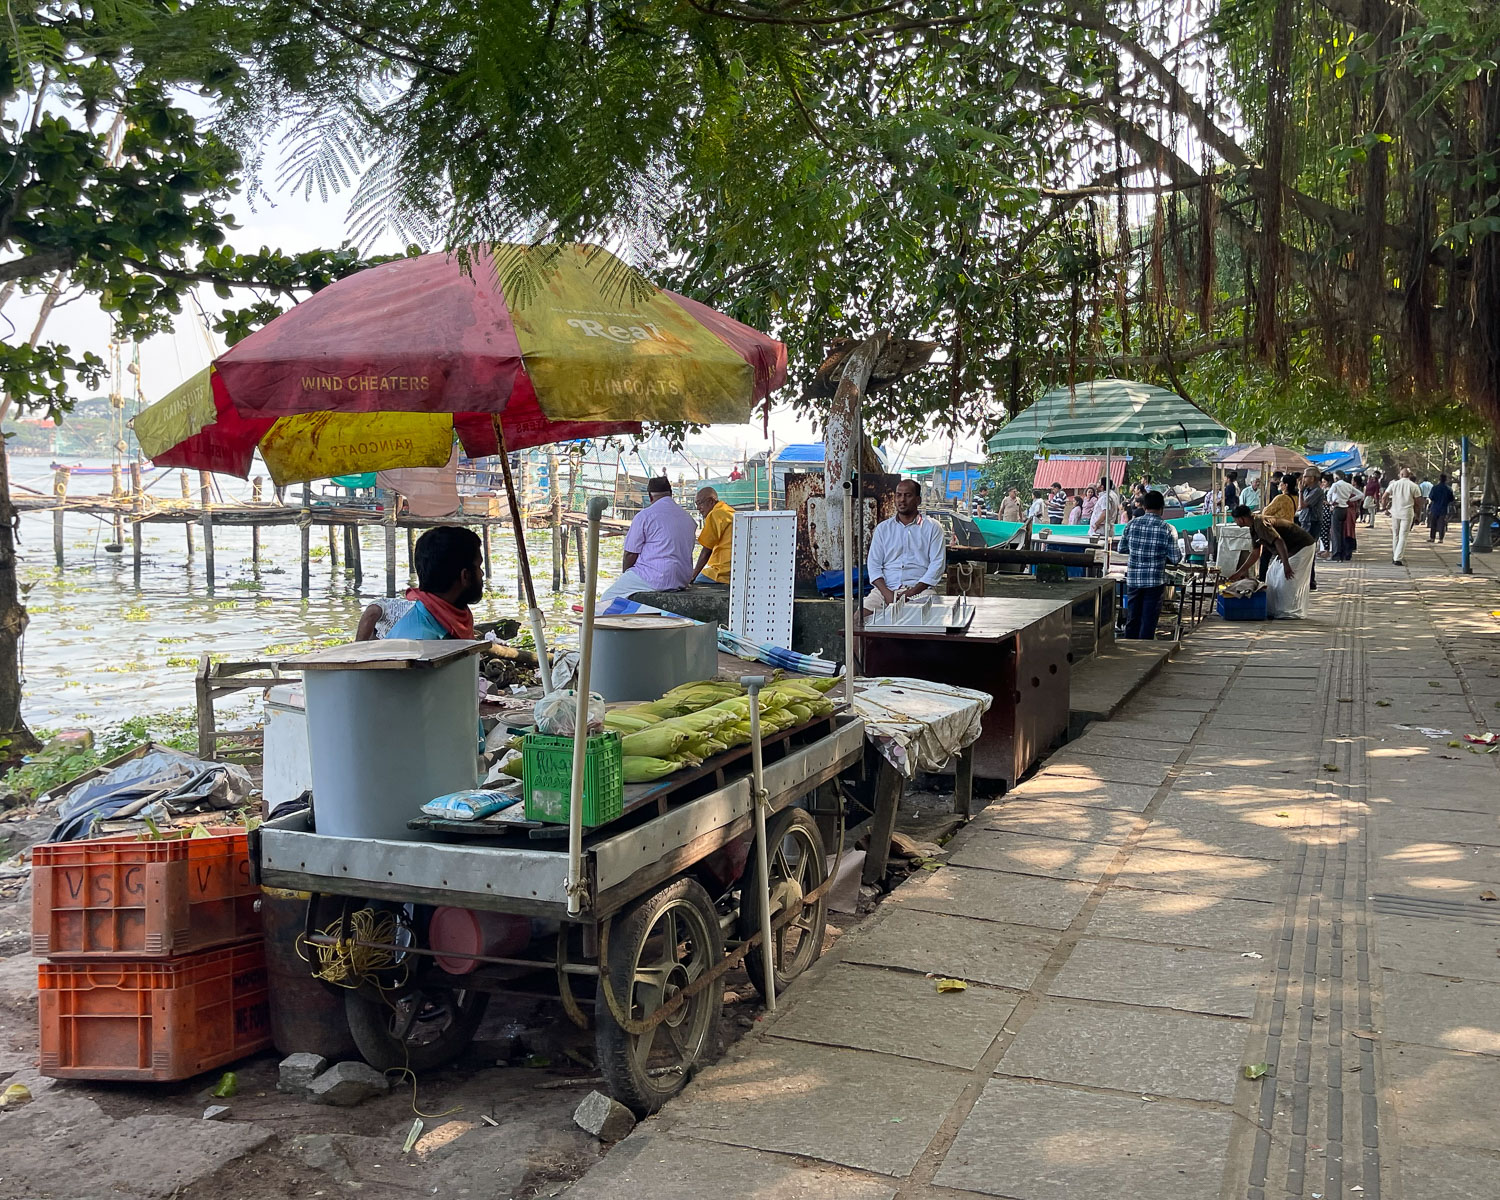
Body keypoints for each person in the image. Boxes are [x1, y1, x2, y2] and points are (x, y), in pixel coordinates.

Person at [598, 476, 696, 605]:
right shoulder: (688, 518)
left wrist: (626, 575)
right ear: (671, 494)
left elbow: (630, 553)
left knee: (607, 598)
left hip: (656, 576)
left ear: (650, 497)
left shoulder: (645, 516)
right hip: (682, 578)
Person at [381, 525, 484, 640]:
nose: (482, 573)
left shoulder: (438, 614)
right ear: (465, 576)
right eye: (479, 567)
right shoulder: (425, 642)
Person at [865, 478, 947, 612]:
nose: (902, 500)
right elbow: (873, 565)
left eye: (908, 495)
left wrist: (911, 593)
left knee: (929, 622)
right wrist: (887, 594)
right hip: (885, 591)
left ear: (918, 500)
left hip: (921, 591)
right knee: (857, 622)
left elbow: (937, 565)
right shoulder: (883, 529)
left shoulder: (933, 528)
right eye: (899, 495)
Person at [1228, 505, 1317, 619]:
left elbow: (1278, 541)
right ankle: (1273, 609)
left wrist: (1286, 565)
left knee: (1287, 580)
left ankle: (1289, 612)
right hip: (1287, 550)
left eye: (1235, 520)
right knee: (1271, 576)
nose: (1236, 523)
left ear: (1241, 519)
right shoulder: (1253, 527)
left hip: (1301, 546)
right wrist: (1239, 572)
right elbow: (1256, 553)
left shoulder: (1260, 523)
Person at [1116, 490, 1181, 639]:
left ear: (1144, 507)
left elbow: (1121, 549)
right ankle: (1145, 652)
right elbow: (1176, 558)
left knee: (1133, 617)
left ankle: (1128, 648)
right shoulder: (1168, 529)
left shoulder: (1131, 524)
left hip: (1134, 579)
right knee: (1149, 619)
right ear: (1162, 508)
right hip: (1155, 580)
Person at [691, 486, 735, 584]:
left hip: (722, 571)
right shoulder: (728, 510)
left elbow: (706, 550)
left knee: (696, 583)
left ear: (711, 501)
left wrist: (693, 575)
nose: (698, 508)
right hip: (735, 568)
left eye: (699, 503)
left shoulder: (715, 514)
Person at [1383, 467, 1422, 565]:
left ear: (1400, 475)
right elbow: (1418, 503)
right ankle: (1398, 558)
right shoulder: (1414, 486)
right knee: (1403, 536)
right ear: (1410, 475)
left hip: (1395, 512)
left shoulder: (1394, 485)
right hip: (1407, 513)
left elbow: (1384, 497)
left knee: (1395, 535)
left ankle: (1395, 556)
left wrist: (1385, 508)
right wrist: (1418, 514)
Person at [1328, 470, 1360, 561]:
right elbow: (1361, 494)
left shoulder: (1336, 485)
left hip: (1337, 508)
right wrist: (1350, 500)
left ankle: (1336, 554)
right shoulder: (1348, 485)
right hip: (1345, 509)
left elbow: (1329, 494)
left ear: (1336, 477)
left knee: (1335, 532)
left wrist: (1331, 503)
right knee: (1343, 532)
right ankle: (1343, 554)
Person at [1427, 473, 1456, 543]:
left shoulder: (1435, 488)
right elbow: (1452, 499)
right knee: (1442, 524)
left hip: (1435, 507)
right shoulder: (1449, 489)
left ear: (1439, 479)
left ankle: (1432, 538)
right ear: (1446, 480)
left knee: (1433, 523)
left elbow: (1431, 497)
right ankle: (1441, 538)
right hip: (1444, 508)